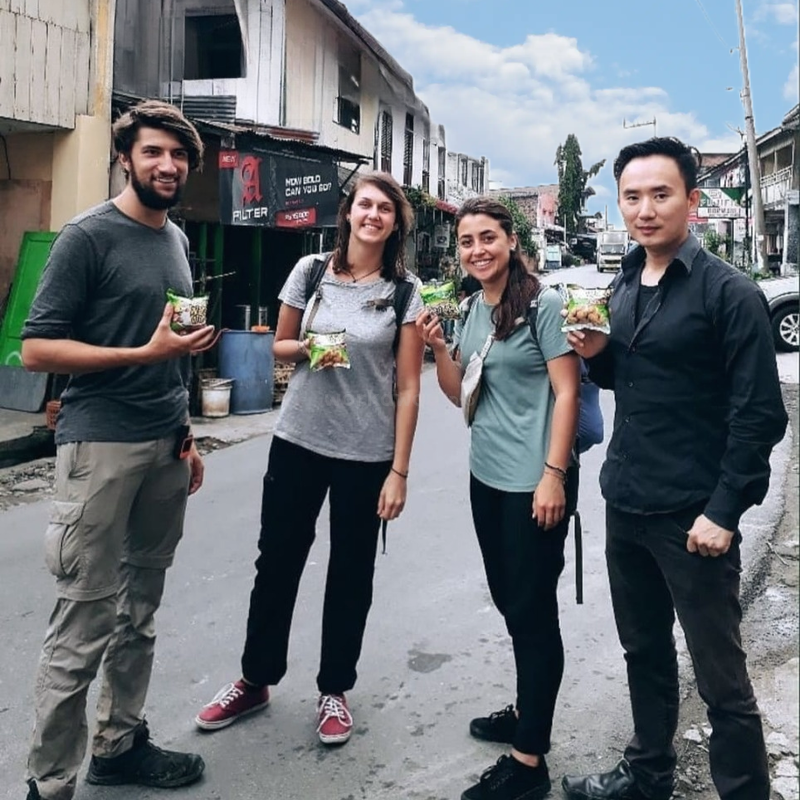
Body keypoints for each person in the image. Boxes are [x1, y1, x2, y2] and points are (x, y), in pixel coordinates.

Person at [561, 137, 788, 800]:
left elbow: (760, 417)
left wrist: (724, 510)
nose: (646, 209)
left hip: (693, 517)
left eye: (661, 194)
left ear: (692, 199)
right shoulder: (625, 280)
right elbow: (622, 377)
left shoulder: (730, 293)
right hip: (627, 502)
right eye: (632, 196)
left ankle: (745, 791)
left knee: (721, 679)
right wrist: (598, 354)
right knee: (645, 655)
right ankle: (648, 775)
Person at [20, 100, 215, 800]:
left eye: (179, 156)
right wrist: (142, 350)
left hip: (163, 446)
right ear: (126, 158)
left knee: (141, 612)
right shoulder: (88, 236)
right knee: (85, 618)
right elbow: (37, 345)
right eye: (155, 152)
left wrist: (186, 435)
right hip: (99, 445)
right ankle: (50, 782)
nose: (168, 165)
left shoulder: (177, 240)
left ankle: (120, 743)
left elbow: (173, 354)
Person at [194, 171, 425, 745]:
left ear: (396, 223)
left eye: (385, 209)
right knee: (276, 563)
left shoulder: (405, 290)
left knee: (352, 573)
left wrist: (399, 470)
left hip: (366, 453)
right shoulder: (310, 270)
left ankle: (334, 690)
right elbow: (277, 342)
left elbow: (409, 386)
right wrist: (310, 349)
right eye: (365, 204)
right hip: (297, 439)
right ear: (347, 212)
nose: (373, 215)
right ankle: (255, 678)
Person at [417, 197, 580, 800]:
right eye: (467, 241)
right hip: (486, 478)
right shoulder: (470, 310)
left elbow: (567, 393)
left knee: (533, 613)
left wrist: (554, 474)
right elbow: (462, 391)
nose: (478, 249)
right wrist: (438, 348)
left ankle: (529, 761)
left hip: (534, 486)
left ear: (511, 241)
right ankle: (527, 710)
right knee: (514, 604)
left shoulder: (545, 303)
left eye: (489, 237)